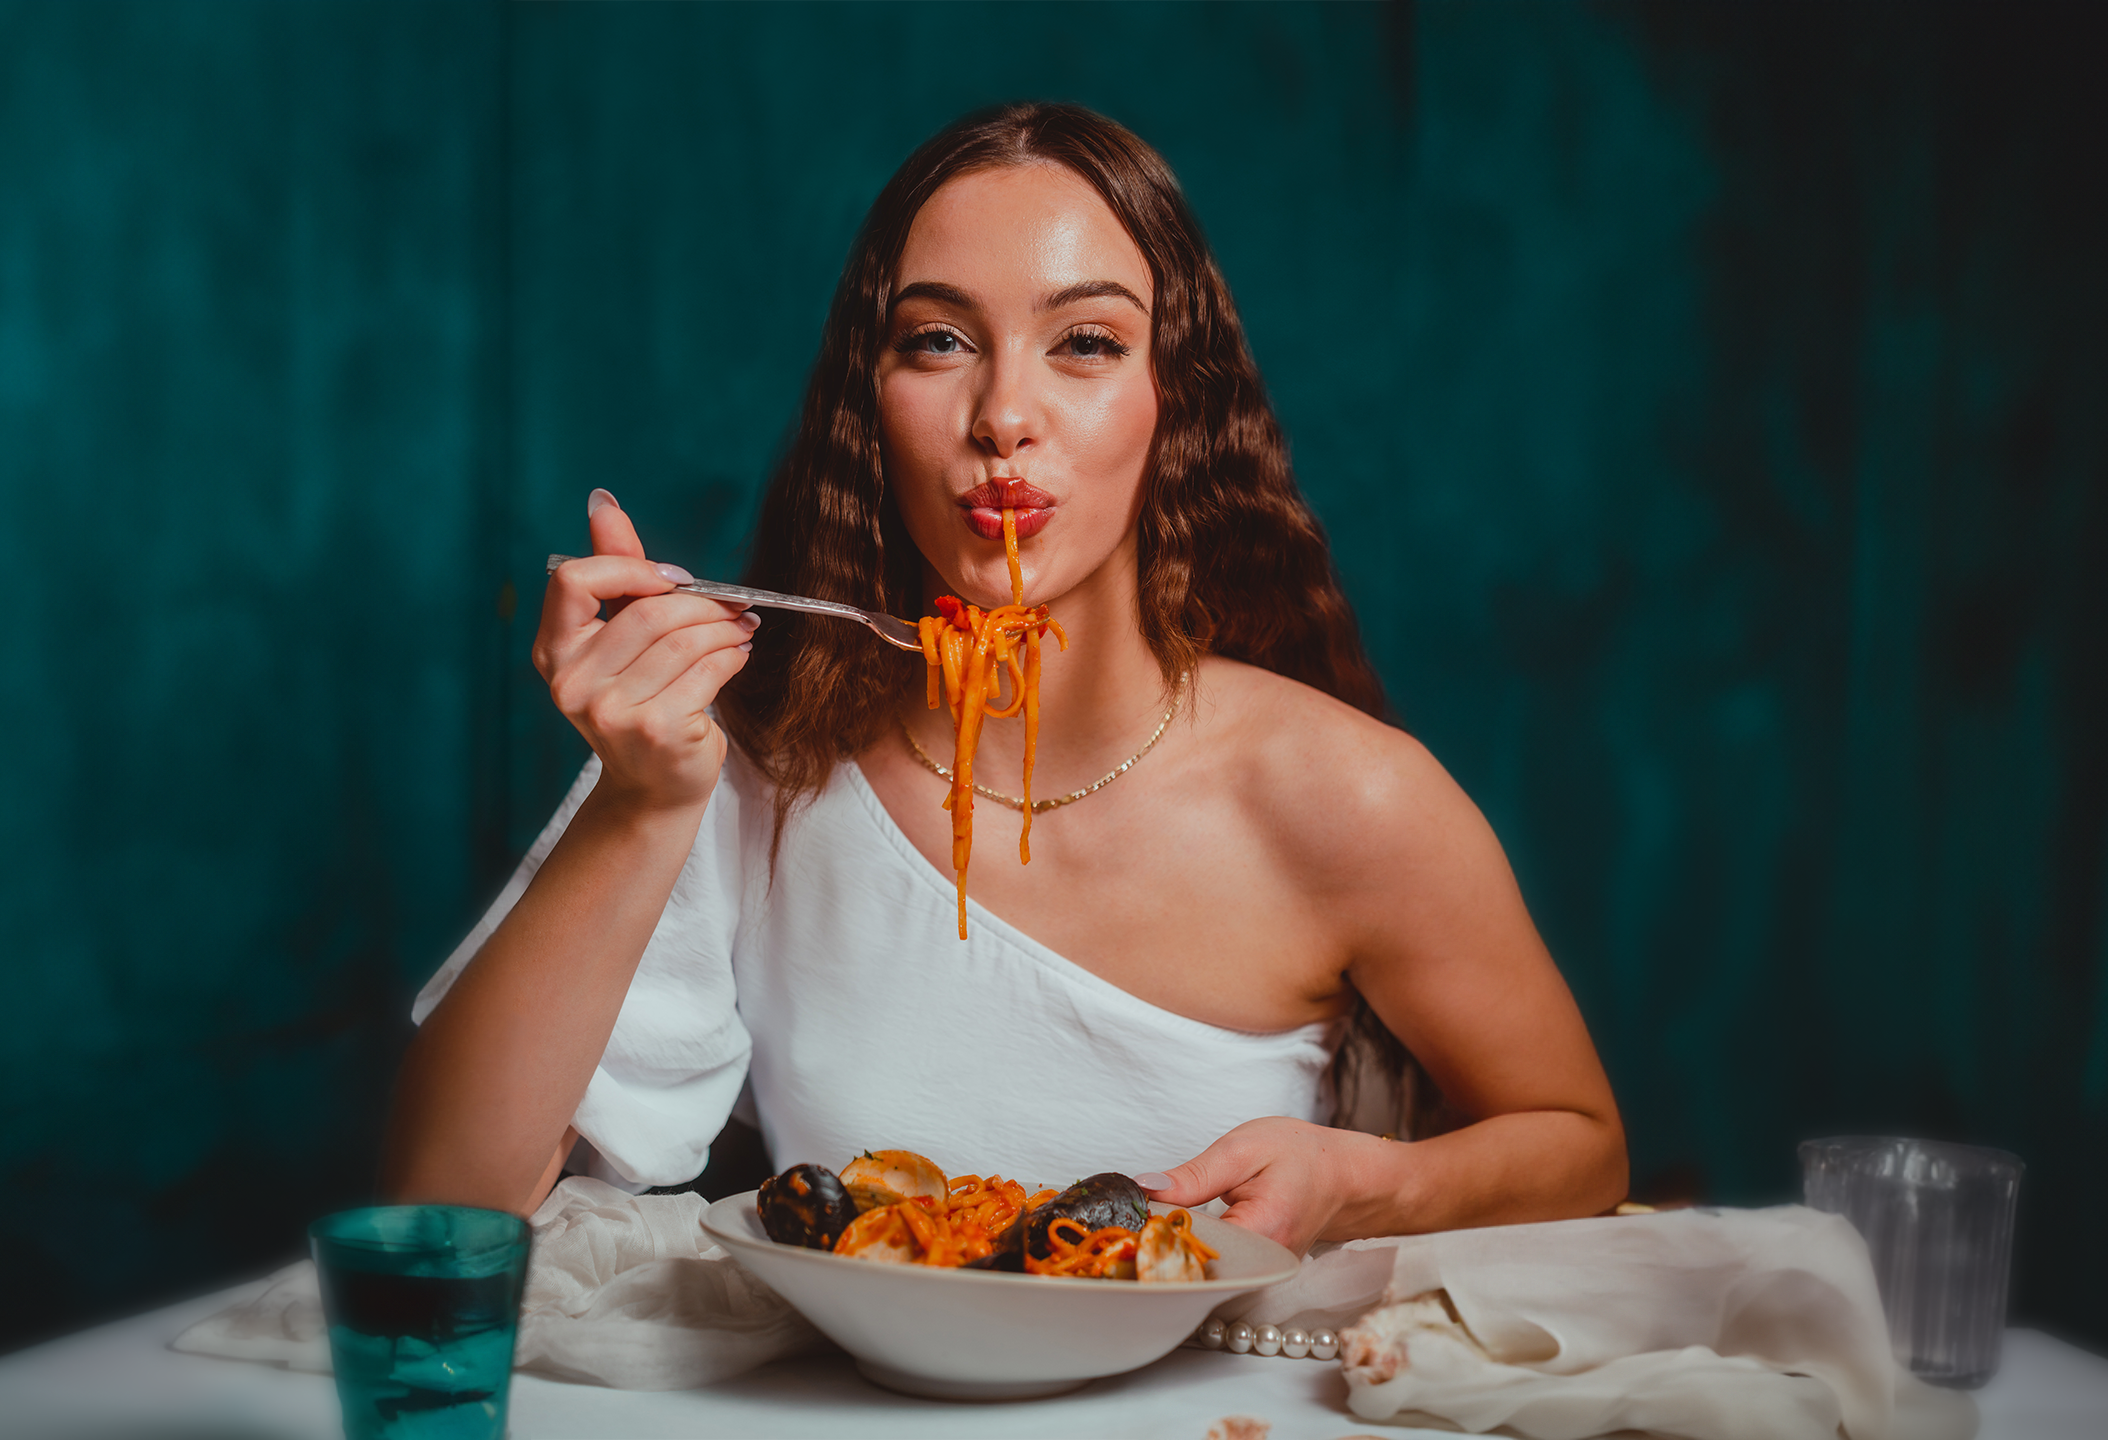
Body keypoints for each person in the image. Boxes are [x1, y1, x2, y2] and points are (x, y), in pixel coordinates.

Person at [383, 103, 1626, 1253]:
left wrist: (1366, 1185)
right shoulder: (750, 755)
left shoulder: (1345, 797)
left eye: (1084, 342)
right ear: (871, 404)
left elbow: (1581, 1147)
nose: (1002, 413)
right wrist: (637, 801)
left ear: (1171, 399)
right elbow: (442, 1211)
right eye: (937, 341)